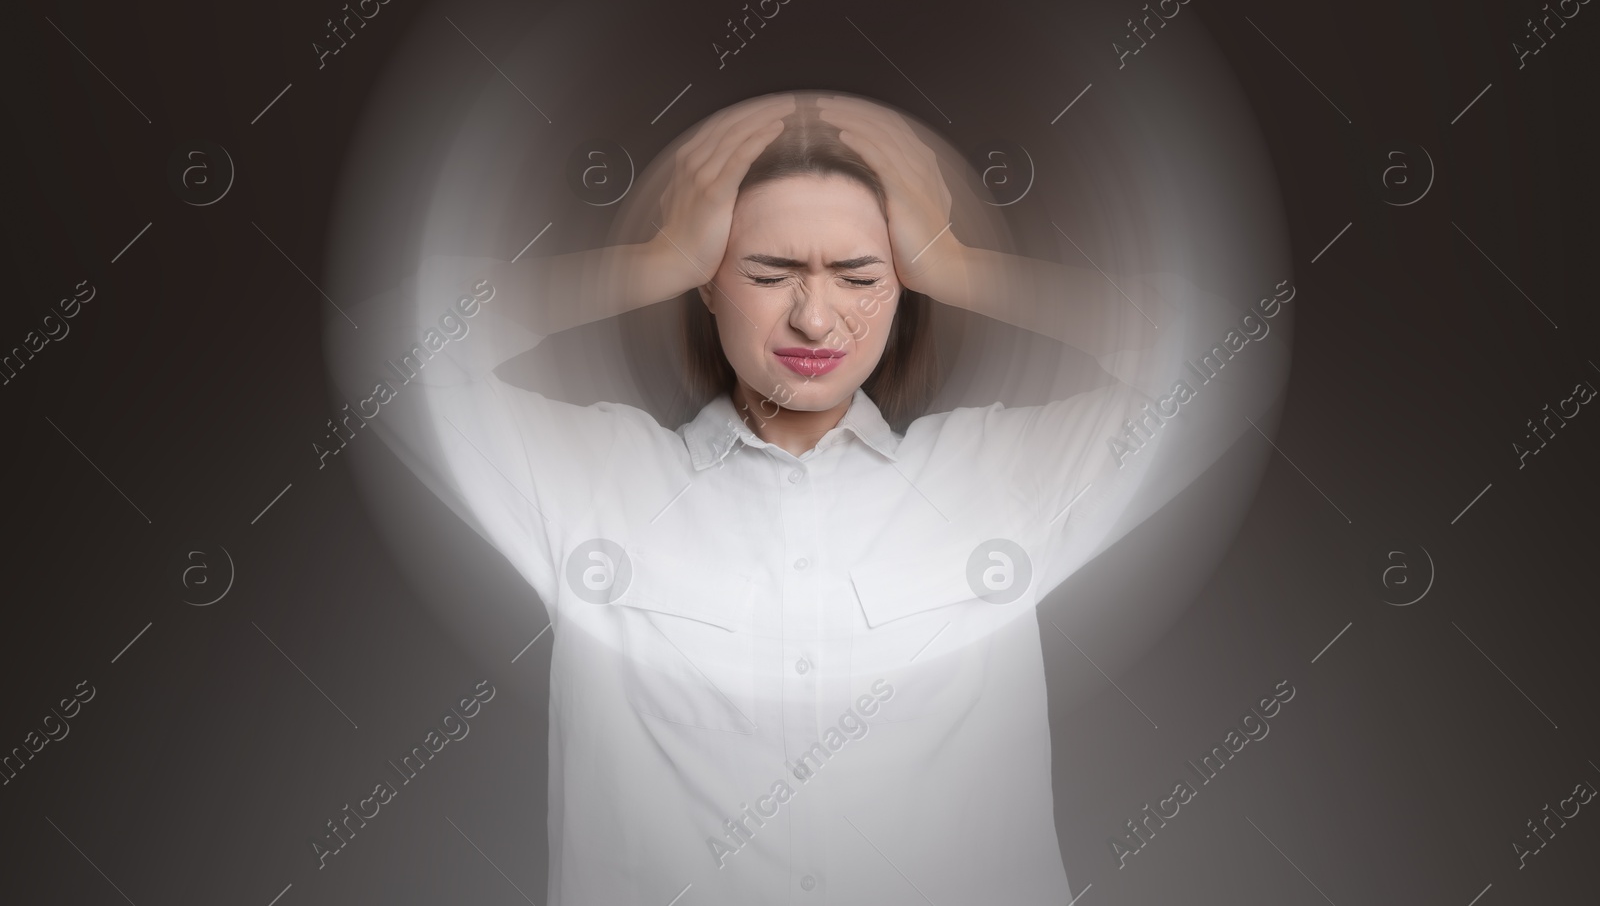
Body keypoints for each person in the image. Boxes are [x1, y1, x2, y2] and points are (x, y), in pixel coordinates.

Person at [335, 92, 1270, 904]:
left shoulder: (994, 476)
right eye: (769, 274)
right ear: (706, 285)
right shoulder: (597, 478)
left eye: (860, 277)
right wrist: (650, 257)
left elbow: (1226, 346)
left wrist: (966, 264)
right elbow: (386, 351)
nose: (816, 319)